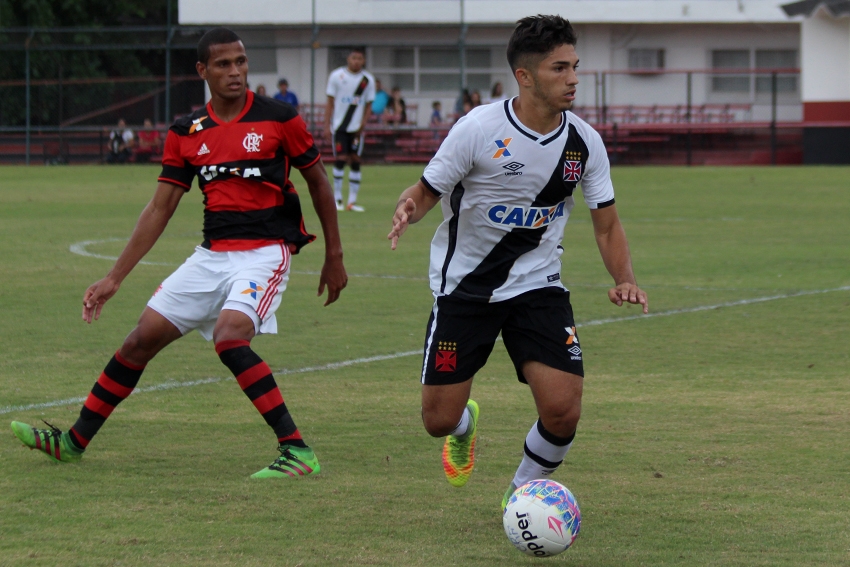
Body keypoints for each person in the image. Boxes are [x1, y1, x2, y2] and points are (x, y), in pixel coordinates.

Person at [11, 27, 347, 479]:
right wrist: (114, 278)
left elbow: (319, 183)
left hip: (265, 253)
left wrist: (334, 256)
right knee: (138, 341)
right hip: (211, 256)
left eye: (241, 62)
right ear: (202, 70)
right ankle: (73, 442)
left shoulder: (279, 117)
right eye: (224, 64)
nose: (235, 72)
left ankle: (298, 452)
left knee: (230, 337)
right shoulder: (186, 132)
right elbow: (159, 208)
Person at [387, 15, 648, 510]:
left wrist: (624, 278)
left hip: (538, 286)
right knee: (438, 419)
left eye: (575, 66)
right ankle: (464, 426)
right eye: (559, 68)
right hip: (465, 289)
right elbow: (424, 193)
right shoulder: (478, 129)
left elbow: (607, 223)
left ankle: (521, 495)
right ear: (525, 76)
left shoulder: (584, 143)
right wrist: (407, 210)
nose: (573, 78)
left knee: (563, 410)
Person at [325, 47, 376, 212]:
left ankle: (351, 202)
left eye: (359, 58)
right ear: (348, 59)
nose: (356, 61)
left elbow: (369, 105)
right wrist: (327, 125)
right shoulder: (336, 76)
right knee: (340, 159)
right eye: (354, 58)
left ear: (364, 61)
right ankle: (337, 198)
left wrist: (363, 124)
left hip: (356, 129)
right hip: (340, 127)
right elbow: (330, 103)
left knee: (355, 160)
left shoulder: (367, 80)